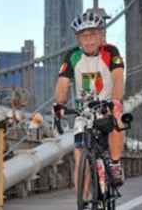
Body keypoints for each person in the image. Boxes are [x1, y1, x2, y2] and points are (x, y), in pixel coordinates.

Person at [52, 11, 126, 194]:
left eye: (93, 34)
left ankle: (115, 164)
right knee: (80, 159)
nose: (89, 40)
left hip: (106, 107)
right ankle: (82, 201)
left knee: (117, 120)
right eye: (84, 36)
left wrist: (116, 102)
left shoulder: (111, 52)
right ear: (78, 39)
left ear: (101, 35)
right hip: (83, 113)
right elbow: (62, 85)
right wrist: (58, 105)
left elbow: (118, 79)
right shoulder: (72, 57)